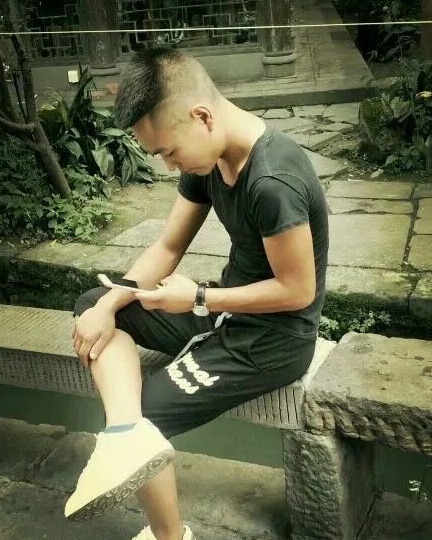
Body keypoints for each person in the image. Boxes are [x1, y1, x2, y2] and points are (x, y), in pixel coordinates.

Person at [66, 47, 329, 540]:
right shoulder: (206, 160)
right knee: (94, 306)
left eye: (168, 152)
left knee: (148, 413)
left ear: (202, 116)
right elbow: (168, 246)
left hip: (272, 341)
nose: (170, 166)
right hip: (220, 310)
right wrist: (111, 303)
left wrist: (200, 298)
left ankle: (168, 533)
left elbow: (298, 291)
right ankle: (123, 434)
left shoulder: (273, 180)